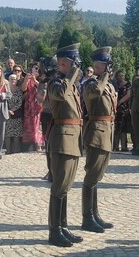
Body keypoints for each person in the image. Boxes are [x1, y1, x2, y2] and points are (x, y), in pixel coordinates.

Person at [47, 43, 83, 247]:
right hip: (61, 141)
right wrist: (71, 75)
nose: (77, 65)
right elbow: (60, 95)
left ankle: (63, 226)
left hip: (73, 140)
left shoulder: (71, 84)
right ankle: (54, 231)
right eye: (73, 61)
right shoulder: (56, 83)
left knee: (66, 187)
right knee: (58, 187)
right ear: (62, 63)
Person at [81, 46, 117, 233]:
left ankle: (95, 214)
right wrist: (103, 77)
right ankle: (87, 217)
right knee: (91, 177)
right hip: (96, 133)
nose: (108, 68)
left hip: (107, 133)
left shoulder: (108, 85)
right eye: (105, 64)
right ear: (97, 65)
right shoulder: (90, 83)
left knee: (97, 177)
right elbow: (95, 93)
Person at [38, 56, 58, 182]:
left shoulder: (45, 82)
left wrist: (41, 87)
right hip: (57, 114)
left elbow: (40, 99)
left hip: (48, 115)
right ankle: (54, 171)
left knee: (49, 145)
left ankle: (52, 172)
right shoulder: (59, 79)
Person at [21, 62, 43, 151]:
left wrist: (35, 80)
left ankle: (38, 144)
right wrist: (26, 80)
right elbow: (23, 89)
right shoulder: (28, 78)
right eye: (35, 68)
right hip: (29, 104)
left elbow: (42, 88)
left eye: (38, 68)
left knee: (37, 125)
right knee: (29, 125)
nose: (36, 69)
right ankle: (30, 144)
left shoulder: (41, 78)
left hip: (38, 105)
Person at [113, 70, 132, 152]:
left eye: (122, 75)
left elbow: (129, 95)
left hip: (124, 108)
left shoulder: (128, 84)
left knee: (123, 128)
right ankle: (115, 146)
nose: (121, 77)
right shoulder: (115, 84)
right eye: (119, 75)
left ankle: (124, 146)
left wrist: (119, 102)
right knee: (116, 128)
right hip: (115, 108)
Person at [5, 74, 23, 154]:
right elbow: (3, 100)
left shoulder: (18, 90)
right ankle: (8, 150)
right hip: (6, 114)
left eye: (15, 79)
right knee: (7, 134)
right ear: (8, 80)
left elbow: (20, 101)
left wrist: (13, 110)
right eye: (11, 79)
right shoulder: (5, 89)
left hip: (16, 113)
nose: (13, 81)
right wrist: (8, 110)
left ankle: (16, 150)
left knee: (16, 133)